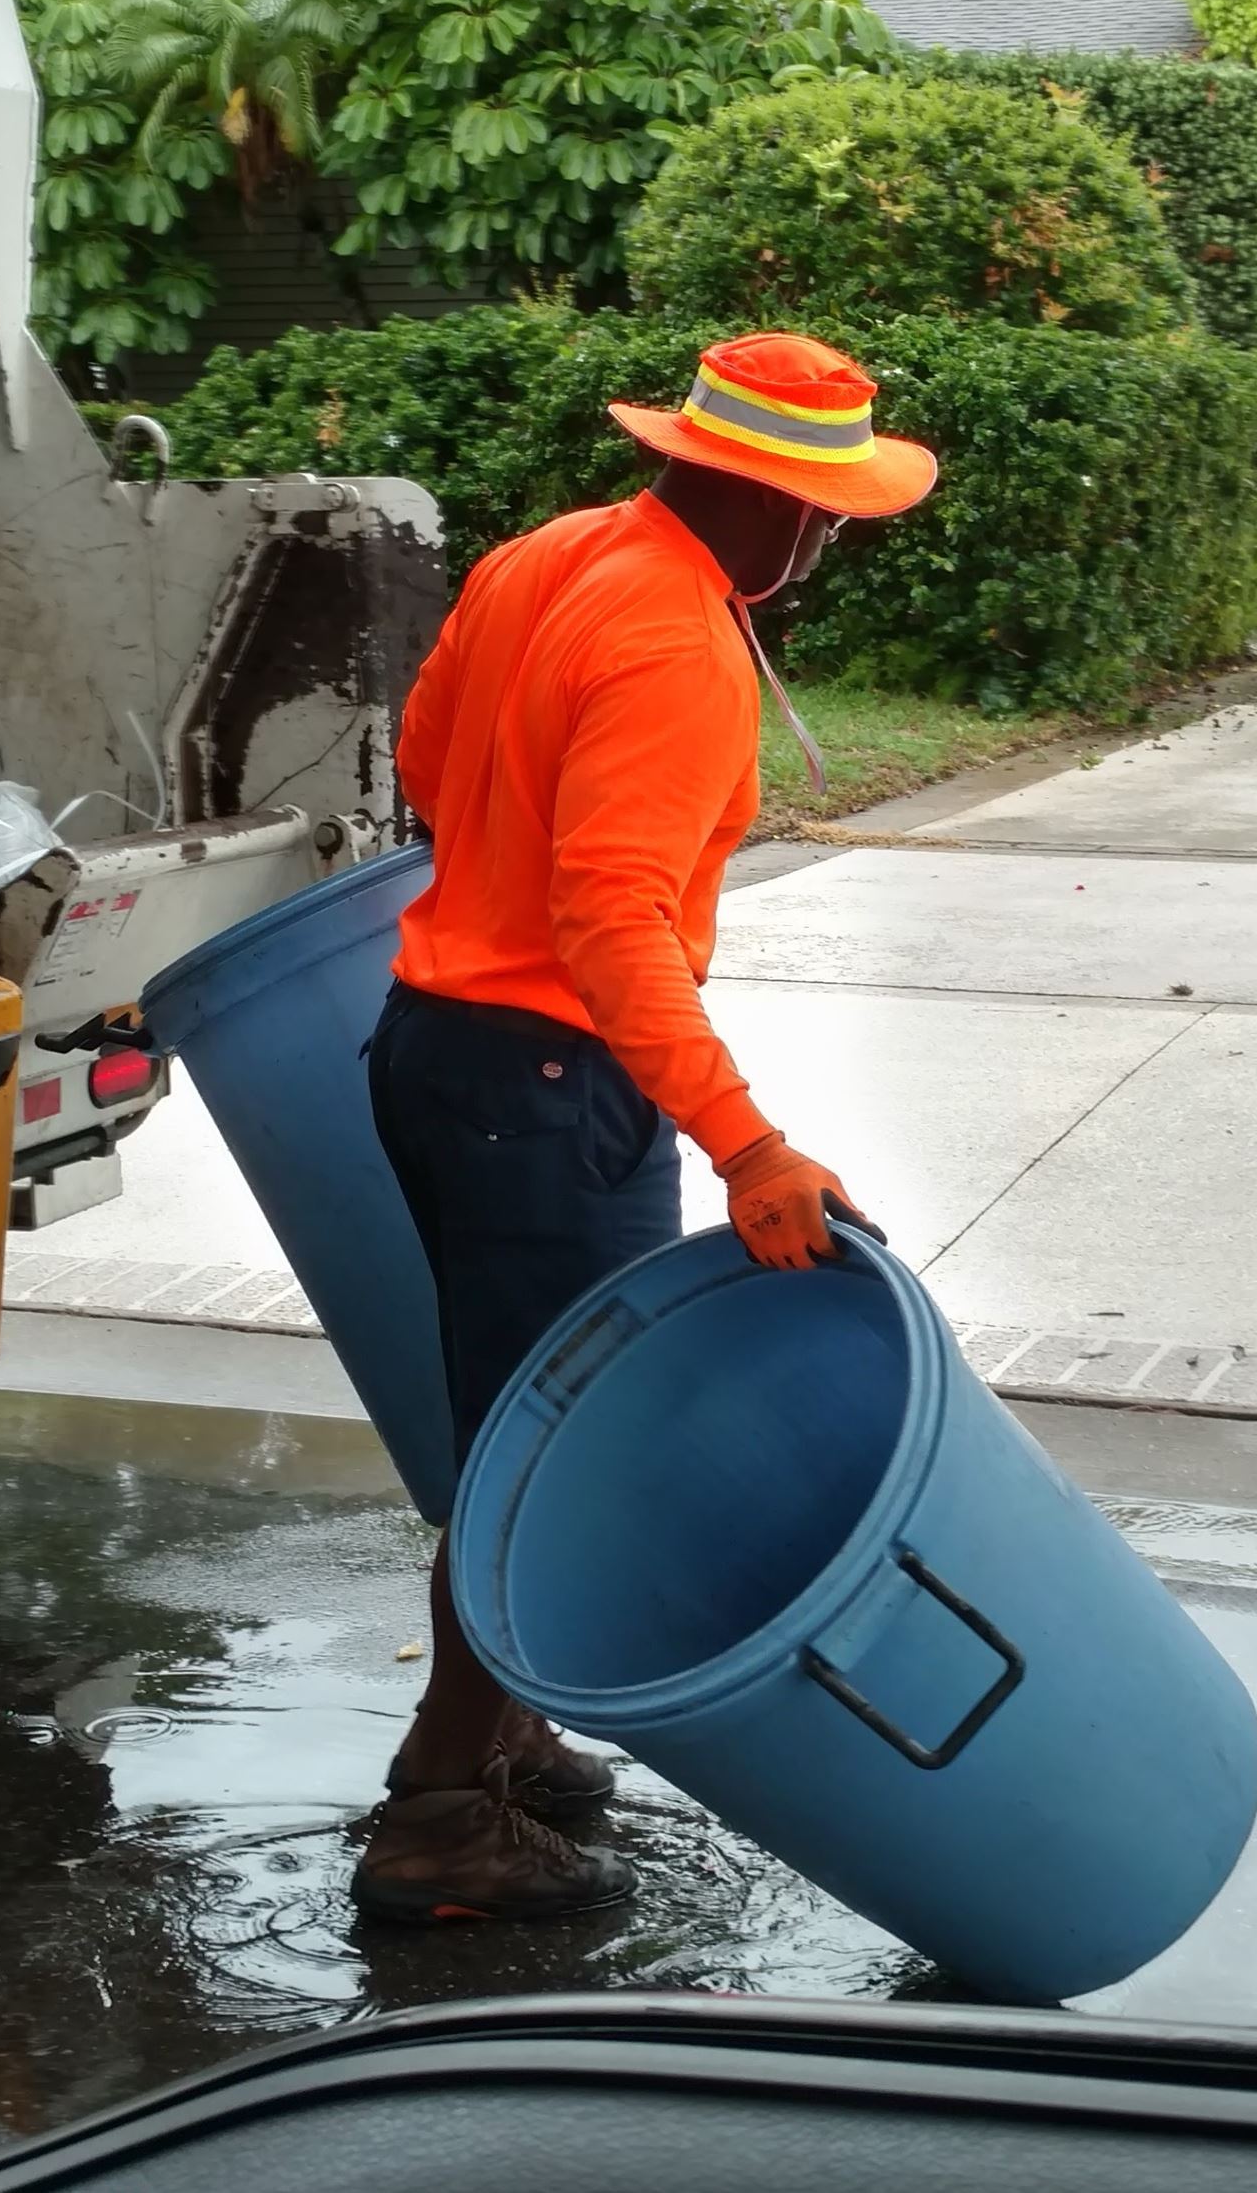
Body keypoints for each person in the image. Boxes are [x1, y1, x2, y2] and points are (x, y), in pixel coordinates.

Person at [351, 329, 937, 1924]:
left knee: (517, 1425)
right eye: (819, 509)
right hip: (549, 1087)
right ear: (759, 493)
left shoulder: (550, 553)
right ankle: (438, 1820)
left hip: (431, 1048)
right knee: (542, 1461)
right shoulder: (682, 639)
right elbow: (611, 928)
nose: (826, 539)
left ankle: (514, 1739)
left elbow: (423, 755)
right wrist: (749, 1147)